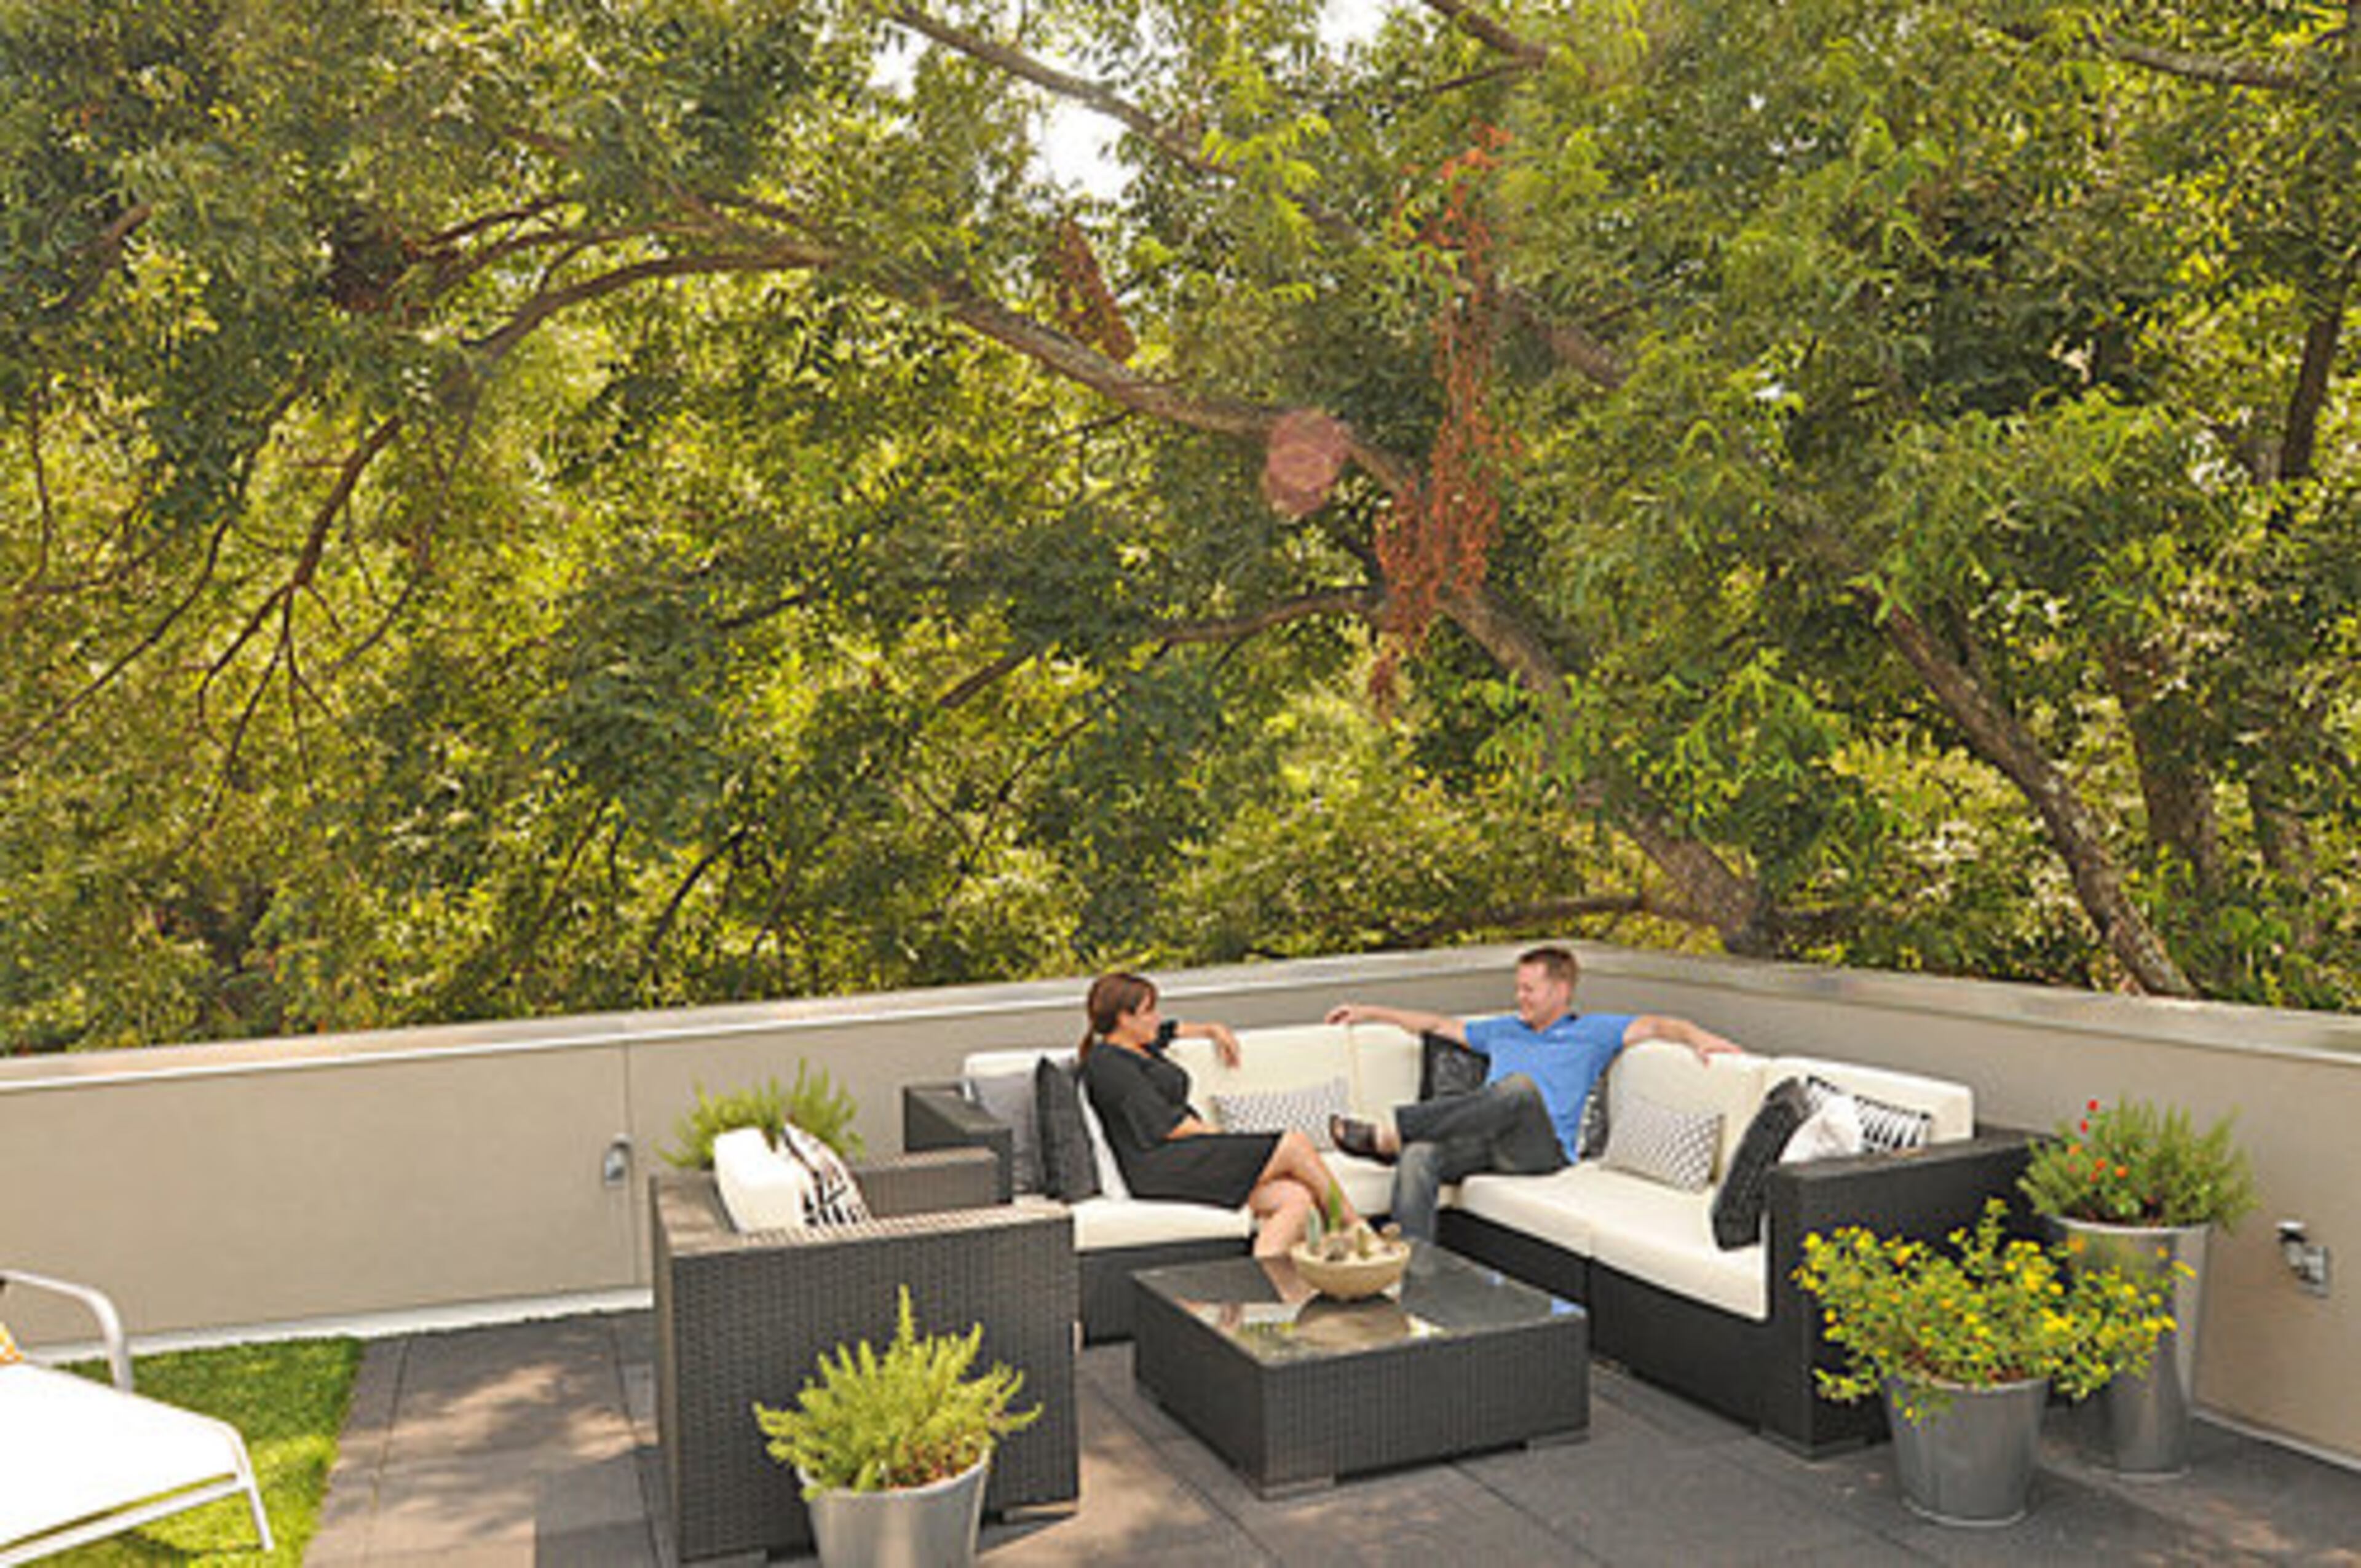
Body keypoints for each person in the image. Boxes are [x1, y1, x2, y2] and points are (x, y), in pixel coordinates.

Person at [1324, 944, 1741, 1240]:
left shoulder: (1593, 1032)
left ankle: (1391, 1134)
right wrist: (1369, 1012)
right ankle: (1412, 1280)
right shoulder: (1503, 1029)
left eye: (1528, 989)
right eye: (1518, 987)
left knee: (1519, 1090)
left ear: (1560, 991)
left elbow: (1657, 1026)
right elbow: (1436, 1025)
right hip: (1483, 1146)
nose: (1518, 997)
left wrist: (1697, 1037)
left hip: (1541, 1151)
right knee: (1419, 1156)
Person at [1080, 971, 1362, 1258]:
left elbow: (1170, 1030)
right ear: (1124, 1019)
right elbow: (1166, 1127)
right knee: (1293, 1145)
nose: (1156, 1017)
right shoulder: (1108, 1064)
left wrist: (1211, 1030)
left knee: (1295, 1198)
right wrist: (1222, 1137)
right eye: (1148, 1011)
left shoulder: (1140, 1046)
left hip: (1186, 1154)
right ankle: (1358, 1230)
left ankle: (1266, 1290)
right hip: (1162, 1166)